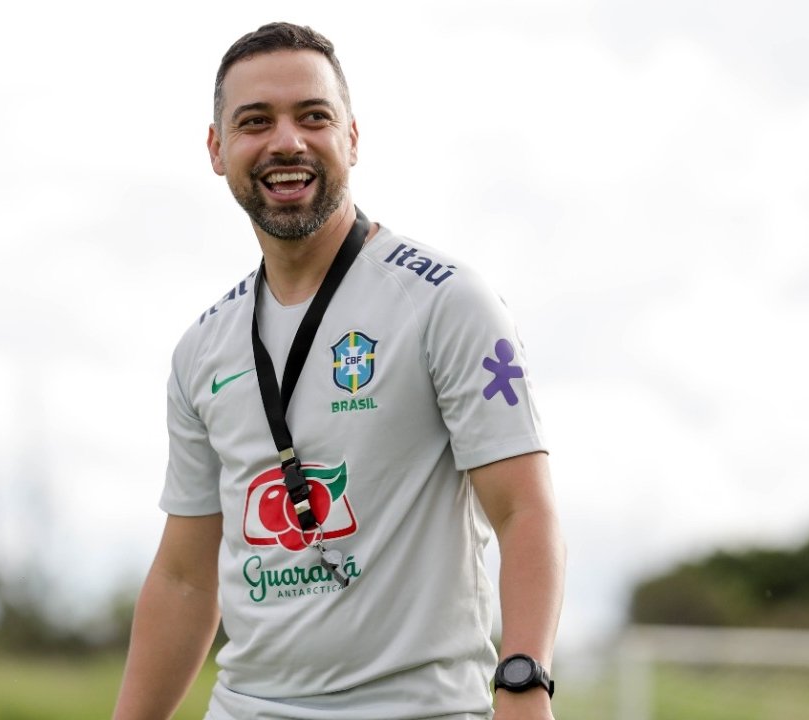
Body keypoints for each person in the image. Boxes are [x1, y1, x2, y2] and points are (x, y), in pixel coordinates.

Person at [113, 22, 565, 720]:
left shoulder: (448, 302)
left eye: (313, 117)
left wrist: (523, 682)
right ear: (217, 148)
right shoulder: (201, 350)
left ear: (352, 137)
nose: (286, 142)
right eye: (255, 121)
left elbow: (525, 510)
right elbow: (182, 579)